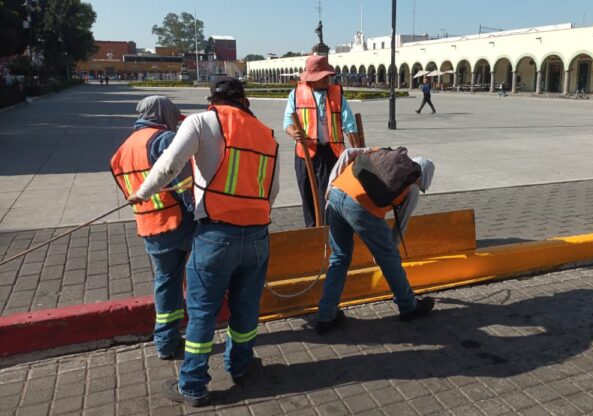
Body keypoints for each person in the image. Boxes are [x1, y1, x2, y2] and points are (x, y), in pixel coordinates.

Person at [129, 77, 279, 407]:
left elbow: (169, 165)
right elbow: (273, 191)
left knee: (202, 313)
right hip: (257, 236)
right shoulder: (267, 134)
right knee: (246, 308)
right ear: (245, 101)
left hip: (215, 237)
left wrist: (142, 193)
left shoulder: (201, 120)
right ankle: (240, 367)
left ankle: (194, 385)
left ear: (213, 99)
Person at [315, 147, 436, 334]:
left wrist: (331, 186)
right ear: (423, 177)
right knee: (389, 259)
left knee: (339, 257)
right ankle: (408, 306)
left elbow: (347, 152)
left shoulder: (384, 153)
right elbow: (400, 227)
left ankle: (326, 315)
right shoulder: (411, 185)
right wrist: (388, 251)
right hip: (359, 207)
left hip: (337, 193)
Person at [111, 96, 195, 361]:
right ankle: (189, 337)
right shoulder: (164, 140)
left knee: (166, 281)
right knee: (200, 274)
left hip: (148, 223)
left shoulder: (123, 149)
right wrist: (199, 214)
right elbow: (184, 184)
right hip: (177, 221)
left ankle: (166, 341)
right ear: (163, 114)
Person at [284, 54, 360, 228]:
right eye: (324, 76)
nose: (328, 78)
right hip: (305, 153)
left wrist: (357, 152)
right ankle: (311, 231)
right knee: (307, 194)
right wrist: (293, 133)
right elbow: (287, 122)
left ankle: (328, 230)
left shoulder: (337, 94)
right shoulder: (296, 94)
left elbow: (349, 124)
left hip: (329, 153)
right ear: (314, 77)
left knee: (327, 195)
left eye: (328, 75)